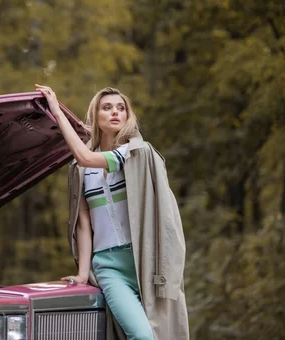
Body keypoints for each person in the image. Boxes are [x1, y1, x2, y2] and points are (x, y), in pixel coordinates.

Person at [35, 85, 189, 340]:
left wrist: (57, 111)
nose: (115, 112)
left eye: (121, 108)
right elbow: (84, 224)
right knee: (142, 336)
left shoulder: (132, 154)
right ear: (95, 116)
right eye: (107, 108)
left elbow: (84, 155)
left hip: (144, 262)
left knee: (164, 334)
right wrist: (84, 273)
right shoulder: (82, 170)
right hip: (109, 268)